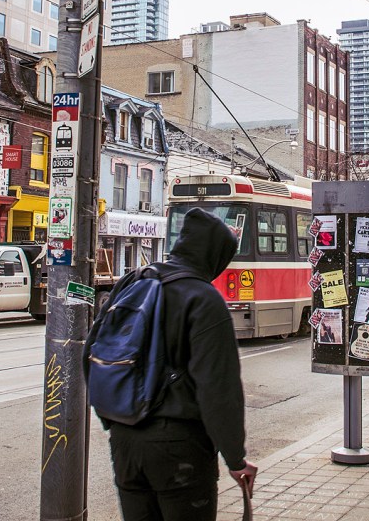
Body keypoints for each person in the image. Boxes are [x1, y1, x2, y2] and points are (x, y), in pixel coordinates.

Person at [97, 207, 258, 520]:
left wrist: (116, 422)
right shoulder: (204, 299)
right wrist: (235, 459)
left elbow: (95, 352)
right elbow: (218, 389)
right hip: (180, 449)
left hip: (125, 442)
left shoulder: (133, 281)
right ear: (214, 255)